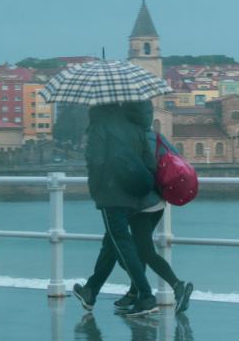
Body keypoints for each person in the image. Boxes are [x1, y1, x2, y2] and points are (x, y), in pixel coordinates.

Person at [72, 101, 163, 316]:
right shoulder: (135, 126)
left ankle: (146, 295)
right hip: (134, 193)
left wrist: (96, 189)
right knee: (111, 243)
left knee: (121, 241)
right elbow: (149, 161)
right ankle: (91, 290)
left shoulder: (99, 126)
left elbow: (96, 161)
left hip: (111, 193)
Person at [111, 101, 193, 313]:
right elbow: (177, 160)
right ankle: (135, 292)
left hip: (140, 204)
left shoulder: (128, 140)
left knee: (138, 251)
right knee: (140, 249)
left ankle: (177, 285)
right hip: (159, 202)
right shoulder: (158, 137)